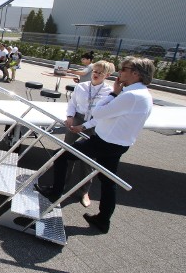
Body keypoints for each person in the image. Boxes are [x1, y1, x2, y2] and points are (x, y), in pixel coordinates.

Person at [36, 57, 155, 233]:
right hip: (117, 144)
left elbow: (98, 112)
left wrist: (114, 93)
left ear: (135, 73)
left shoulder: (130, 95)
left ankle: (55, 193)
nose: (120, 72)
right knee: (108, 182)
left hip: (104, 142)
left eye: (124, 69)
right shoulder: (143, 94)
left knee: (61, 156)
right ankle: (103, 220)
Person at [62, 60, 115, 207]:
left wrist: (84, 126)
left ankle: (84, 191)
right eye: (95, 71)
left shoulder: (109, 92)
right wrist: (70, 117)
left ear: (107, 75)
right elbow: (72, 103)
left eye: (100, 72)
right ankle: (62, 185)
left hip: (94, 123)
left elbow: (103, 115)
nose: (96, 74)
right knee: (67, 152)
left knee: (88, 159)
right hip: (77, 118)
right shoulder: (81, 86)